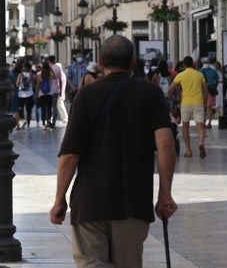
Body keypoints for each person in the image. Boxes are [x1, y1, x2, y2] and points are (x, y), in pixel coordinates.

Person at [49, 36, 177, 267]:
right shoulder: (151, 93)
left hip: (90, 202)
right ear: (133, 62)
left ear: (99, 61)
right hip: (133, 202)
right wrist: (165, 194)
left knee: (90, 262)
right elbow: (166, 144)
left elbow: (70, 155)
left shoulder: (86, 95)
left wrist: (60, 199)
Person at [167, 56, 208, 158]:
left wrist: (175, 99)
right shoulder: (199, 75)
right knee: (200, 126)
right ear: (193, 64)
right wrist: (203, 101)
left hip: (185, 103)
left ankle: (189, 151)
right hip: (198, 103)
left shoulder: (181, 75)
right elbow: (206, 90)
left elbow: (169, 90)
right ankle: (201, 142)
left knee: (185, 127)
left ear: (184, 65)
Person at [36, 62, 58, 130]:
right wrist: (51, 69)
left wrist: (36, 94)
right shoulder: (50, 75)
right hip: (49, 94)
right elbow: (55, 77)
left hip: (41, 94)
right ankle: (48, 121)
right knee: (49, 109)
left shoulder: (39, 75)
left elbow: (38, 86)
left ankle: (43, 124)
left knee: (43, 109)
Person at [200, 58, 219, 128]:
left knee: (209, 107)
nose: (206, 63)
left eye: (207, 62)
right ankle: (203, 121)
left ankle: (209, 123)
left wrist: (214, 88)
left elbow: (217, 80)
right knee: (202, 107)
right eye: (205, 62)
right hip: (203, 91)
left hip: (210, 91)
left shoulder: (213, 71)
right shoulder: (200, 71)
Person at [16, 61, 35, 129]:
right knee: (28, 110)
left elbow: (17, 84)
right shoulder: (31, 75)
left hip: (21, 94)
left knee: (20, 109)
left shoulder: (20, 74)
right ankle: (28, 123)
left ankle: (22, 119)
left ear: (25, 67)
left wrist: (21, 86)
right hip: (30, 94)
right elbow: (33, 84)